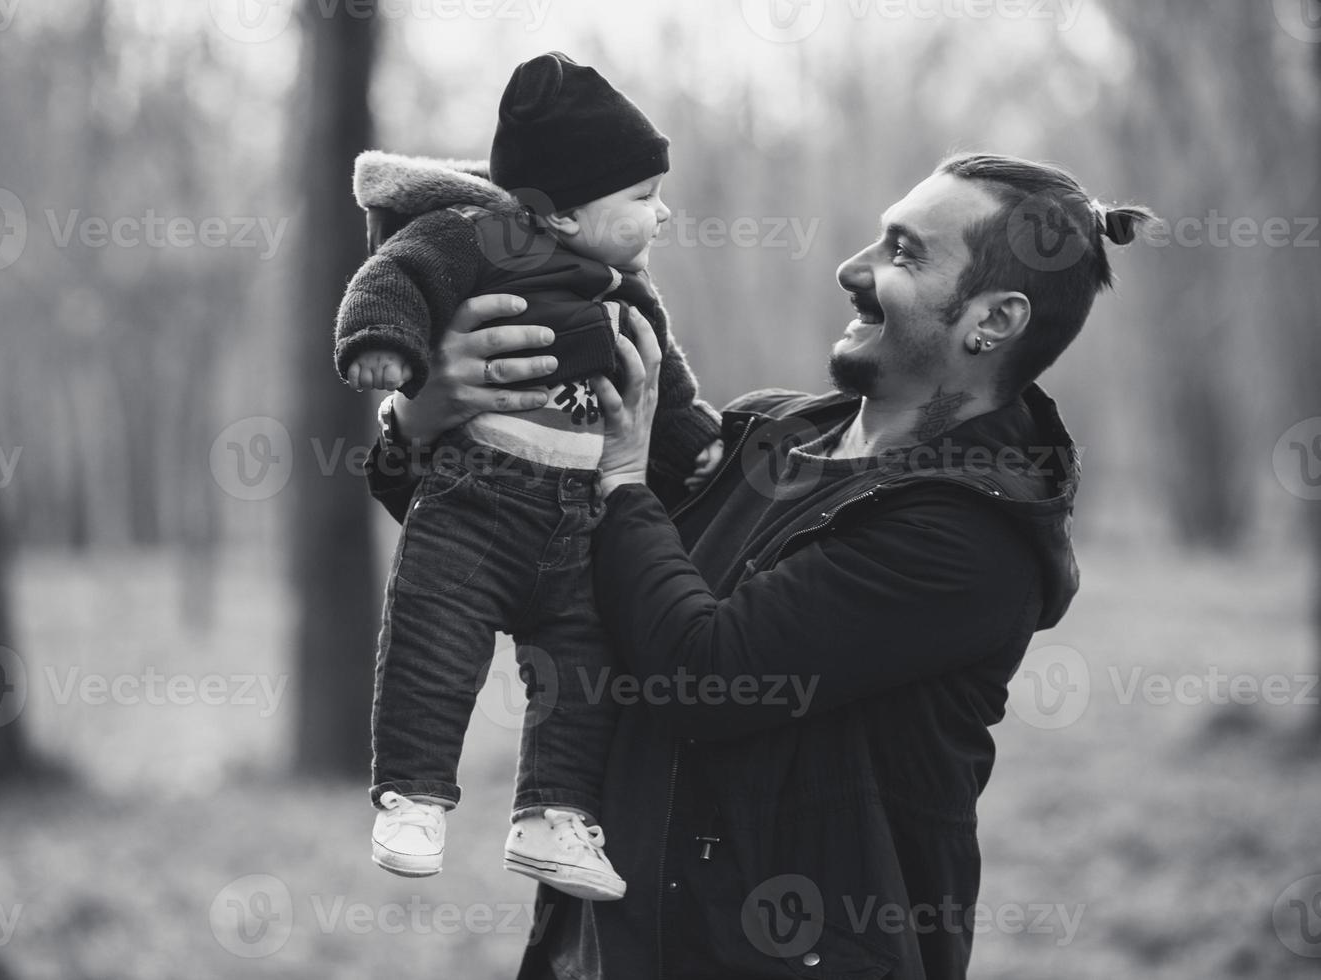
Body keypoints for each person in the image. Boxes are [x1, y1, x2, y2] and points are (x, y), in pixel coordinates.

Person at [365, 153, 1151, 978]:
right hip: (606, 949)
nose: (855, 269)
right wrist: (423, 418)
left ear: (991, 320)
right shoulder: (761, 434)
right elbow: (530, 547)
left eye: (905, 253)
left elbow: (704, 673)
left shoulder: (967, 538)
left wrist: (627, 474)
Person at [335, 51, 721, 901]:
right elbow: (396, 275)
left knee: (584, 670)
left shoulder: (627, 287)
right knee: (435, 647)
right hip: (473, 499)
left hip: (580, 516)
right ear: (567, 210)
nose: (662, 214)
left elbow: (663, 375)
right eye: (643, 198)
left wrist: (689, 435)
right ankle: (414, 795)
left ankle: (555, 819)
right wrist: (385, 346)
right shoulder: (476, 238)